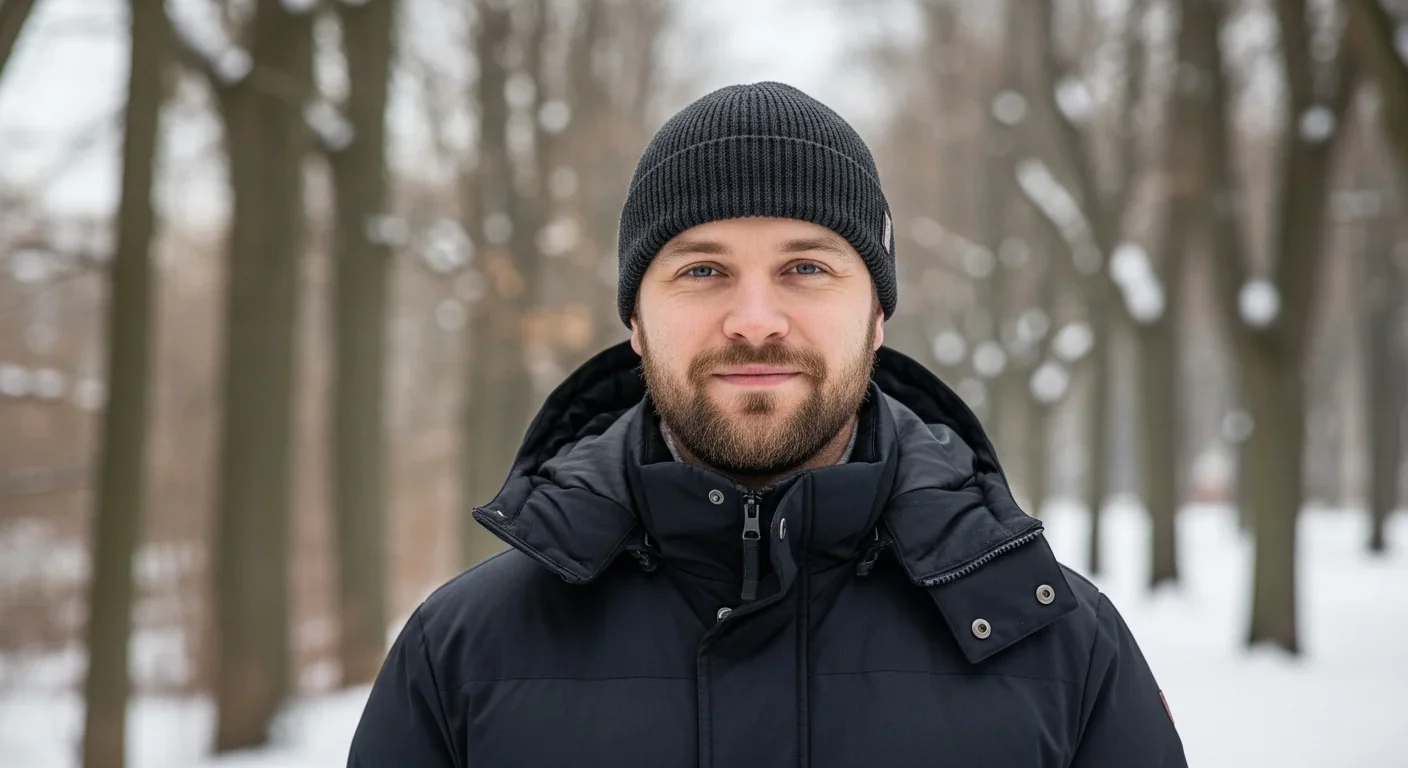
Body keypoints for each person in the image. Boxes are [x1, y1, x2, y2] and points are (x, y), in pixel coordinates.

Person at [346, 81, 1187, 767]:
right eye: (703, 268)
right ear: (635, 319)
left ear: (879, 315)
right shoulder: (461, 654)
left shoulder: (1056, 645)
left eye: (807, 267)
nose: (755, 320)